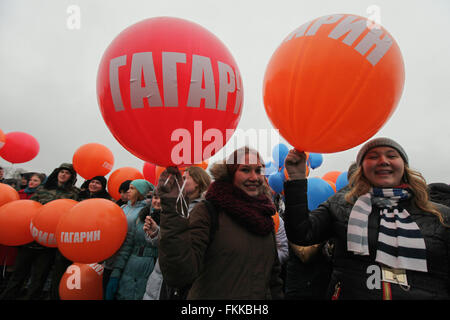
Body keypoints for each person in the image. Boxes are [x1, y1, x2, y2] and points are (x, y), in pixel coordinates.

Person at [283, 137, 450, 299]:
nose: (383, 161)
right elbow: (301, 233)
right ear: (362, 168)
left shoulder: (439, 215)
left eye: (391, 155)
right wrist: (297, 179)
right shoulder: (341, 205)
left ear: (404, 166)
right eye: (373, 157)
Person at [157, 147, 284, 299]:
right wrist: (172, 212)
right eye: (245, 170)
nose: (254, 177)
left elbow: (273, 279)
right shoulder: (209, 211)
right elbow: (180, 273)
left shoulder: (265, 217)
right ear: (230, 174)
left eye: (258, 171)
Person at [0, 163, 79, 300]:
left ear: (71, 176)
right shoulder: (43, 189)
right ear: (57, 173)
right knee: (18, 276)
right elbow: (30, 210)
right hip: (30, 240)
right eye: (61, 172)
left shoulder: (73, 194)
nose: (63, 174)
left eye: (67, 173)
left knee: (38, 279)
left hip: (48, 245)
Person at [143, 166, 212, 300]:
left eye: (185, 178)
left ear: (198, 182)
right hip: (160, 277)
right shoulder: (176, 205)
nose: (179, 182)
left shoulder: (203, 211)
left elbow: (187, 248)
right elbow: (171, 245)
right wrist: (156, 232)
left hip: (179, 283)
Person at [105, 179, 157, 300]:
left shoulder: (145, 212)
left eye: (132, 188)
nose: (128, 191)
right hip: (114, 256)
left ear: (141, 192)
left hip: (133, 258)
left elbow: (133, 239)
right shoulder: (123, 207)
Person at [0, 172, 46, 295]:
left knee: (17, 265)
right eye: (31, 180)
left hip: (28, 236)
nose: (32, 182)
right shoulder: (18, 193)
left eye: (36, 181)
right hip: (13, 231)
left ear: (41, 183)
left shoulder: (40, 195)